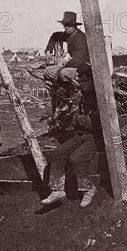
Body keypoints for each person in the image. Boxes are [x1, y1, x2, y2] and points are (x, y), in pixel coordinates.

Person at [41, 63, 102, 208]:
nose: (82, 84)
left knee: (76, 158)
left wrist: (79, 119)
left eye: (85, 81)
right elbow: (76, 121)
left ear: (93, 81)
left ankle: (89, 188)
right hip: (81, 135)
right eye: (80, 81)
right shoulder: (82, 97)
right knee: (58, 153)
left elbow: (92, 123)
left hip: (95, 138)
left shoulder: (98, 97)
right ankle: (57, 190)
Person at [43, 11, 90, 90]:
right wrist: (48, 51)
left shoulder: (80, 38)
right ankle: (61, 92)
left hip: (83, 68)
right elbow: (55, 36)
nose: (66, 28)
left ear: (74, 26)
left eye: (69, 25)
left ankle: (72, 93)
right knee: (47, 71)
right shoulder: (69, 35)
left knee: (62, 73)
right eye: (65, 25)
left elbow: (77, 61)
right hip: (74, 65)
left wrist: (62, 66)